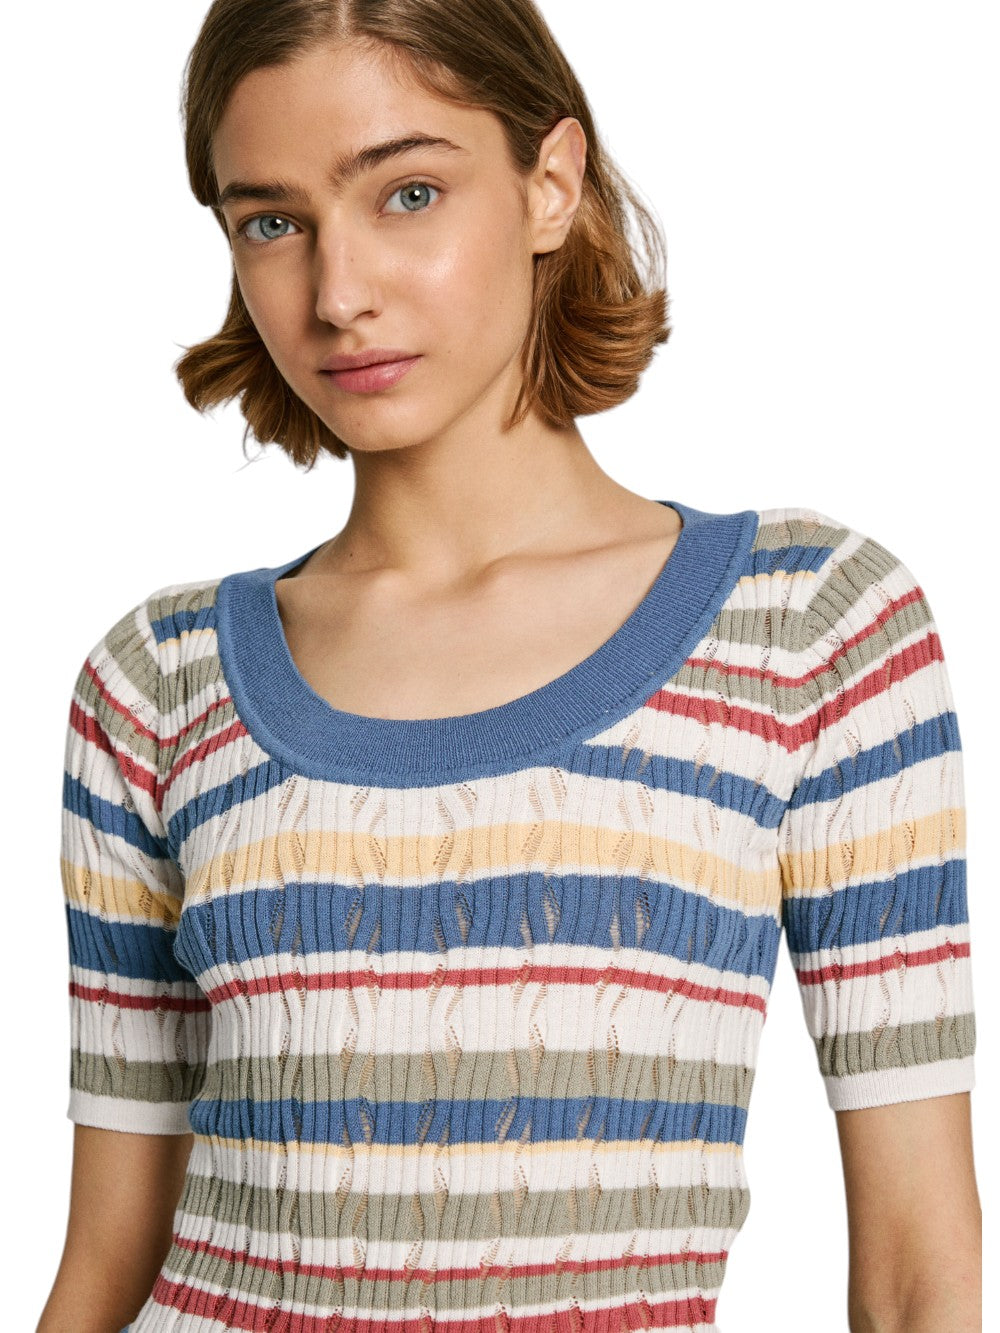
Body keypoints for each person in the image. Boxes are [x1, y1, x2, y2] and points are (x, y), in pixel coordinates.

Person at [38, 1, 981, 1330]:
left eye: (408, 193)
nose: (338, 293)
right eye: (273, 222)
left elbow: (922, 1270)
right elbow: (107, 1257)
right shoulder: (157, 681)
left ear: (551, 182)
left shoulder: (809, 626)